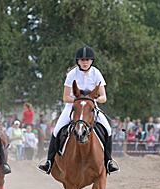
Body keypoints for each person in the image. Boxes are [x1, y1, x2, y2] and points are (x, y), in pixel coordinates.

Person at [38, 46, 119, 174]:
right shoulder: (72, 74)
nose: (85, 62)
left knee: (108, 129)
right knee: (57, 129)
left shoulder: (96, 73)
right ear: (78, 61)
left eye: (87, 60)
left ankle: (108, 161)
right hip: (73, 107)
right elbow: (66, 97)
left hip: (91, 108)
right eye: (82, 60)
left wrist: (93, 101)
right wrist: (78, 101)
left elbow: (104, 97)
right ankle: (49, 162)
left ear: (92, 60)